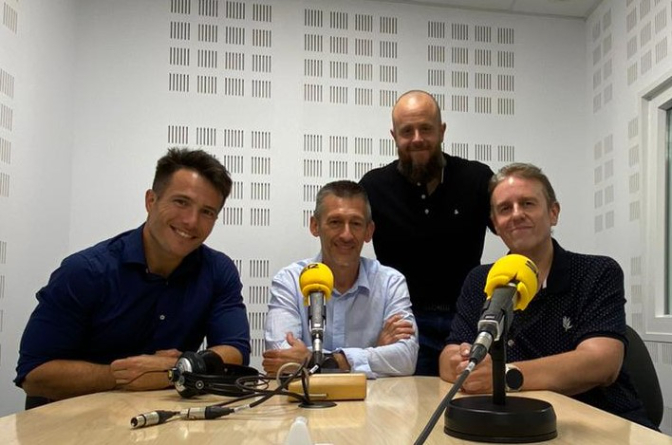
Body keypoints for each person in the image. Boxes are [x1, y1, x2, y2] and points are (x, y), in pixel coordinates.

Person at [15, 148, 251, 404]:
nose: (192, 221)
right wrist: (122, 375)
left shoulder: (218, 270)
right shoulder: (85, 271)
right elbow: (34, 375)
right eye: (181, 202)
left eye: (207, 212)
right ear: (151, 201)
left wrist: (180, 368)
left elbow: (235, 351)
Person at [439, 162, 655, 429]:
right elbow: (448, 356)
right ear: (495, 224)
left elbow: (602, 362)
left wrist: (504, 376)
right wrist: (460, 363)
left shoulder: (596, 272)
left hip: (600, 422)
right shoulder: (480, 280)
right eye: (505, 209)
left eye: (528, 204)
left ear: (553, 213)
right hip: (515, 425)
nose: (516, 214)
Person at [359, 90, 493, 376]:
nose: (417, 138)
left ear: (442, 131)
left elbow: (514, 231)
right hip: (405, 322)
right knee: (405, 407)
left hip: (468, 320)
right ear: (394, 136)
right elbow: (345, 249)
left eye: (426, 128)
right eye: (407, 131)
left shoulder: (477, 178)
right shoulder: (374, 187)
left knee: (468, 402)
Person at [263, 180, 418, 378]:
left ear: (369, 231)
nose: (346, 235)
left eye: (355, 223)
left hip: (371, 404)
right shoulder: (290, 281)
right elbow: (281, 357)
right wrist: (373, 353)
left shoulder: (390, 283)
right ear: (314, 226)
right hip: (304, 402)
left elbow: (406, 358)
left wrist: (317, 360)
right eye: (335, 222)